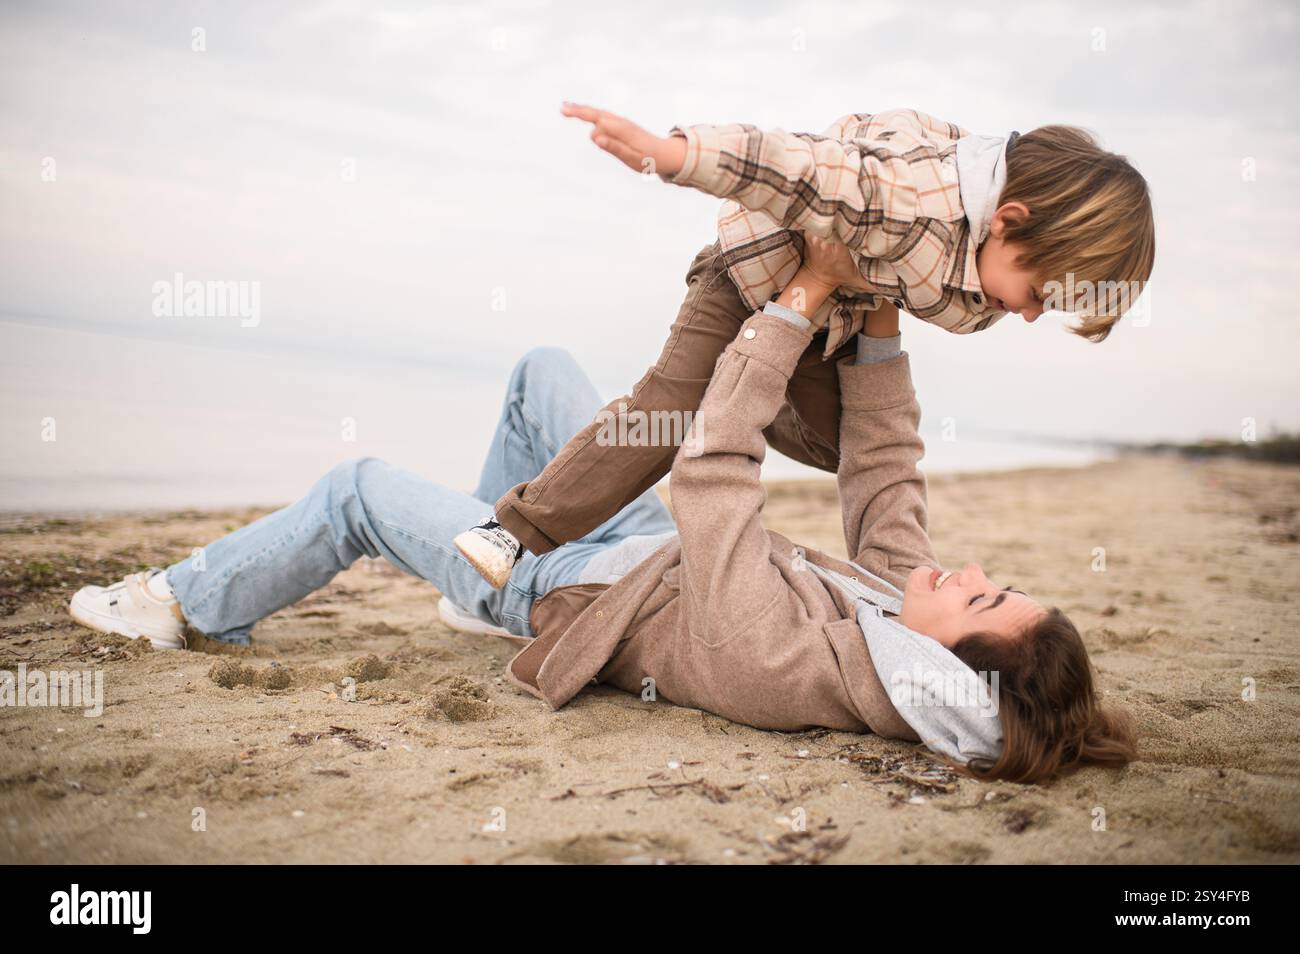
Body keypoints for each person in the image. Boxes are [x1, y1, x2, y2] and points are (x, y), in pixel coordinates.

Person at [68, 236, 1136, 784]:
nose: (964, 574)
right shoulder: (891, 625)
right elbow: (886, 483)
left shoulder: (787, 664)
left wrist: (795, 306)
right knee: (544, 371)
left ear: (948, 668)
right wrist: (883, 330)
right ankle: (467, 585)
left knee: (355, 489)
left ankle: (187, 604)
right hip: (642, 552)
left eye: (981, 598)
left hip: (567, 588)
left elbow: (713, 466)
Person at [454, 102, 1156, 589]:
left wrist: (872, 307)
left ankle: (741, 411)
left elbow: (926, 302)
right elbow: (796, 168)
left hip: (834, 318)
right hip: (748, 276)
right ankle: (513, 530)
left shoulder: (984, 258)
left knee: (848, 445)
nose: (1030, 316)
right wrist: (671, 154)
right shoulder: (904, 202)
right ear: (1008, 219)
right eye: (1039, 295)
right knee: (668, 413)